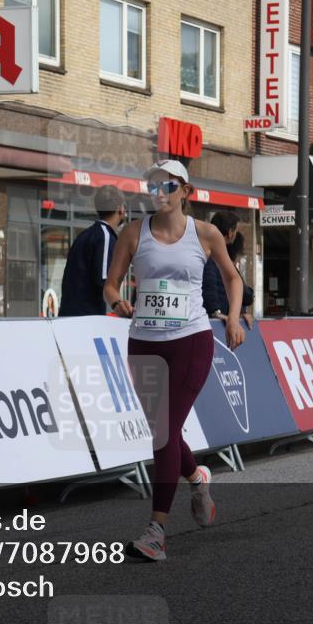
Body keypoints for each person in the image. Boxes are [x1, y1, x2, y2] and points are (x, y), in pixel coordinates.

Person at [103, 159, 244, 562]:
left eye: (168, 186)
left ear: (185, 191)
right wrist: (117, 301)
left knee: (164, 431)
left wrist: (234, 318)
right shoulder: (134, 232)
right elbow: (110, 284)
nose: (160, 193)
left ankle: (156, 532)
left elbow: (232, 277)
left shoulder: (205, 233)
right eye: (154, 187)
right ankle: (197, 478)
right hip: (145, 342)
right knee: (161, 428)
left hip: (191, 341)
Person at [58, 185, 126, 317]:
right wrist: (120, 305)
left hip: (70, 314)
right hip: (87, 317)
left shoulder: (85, 235)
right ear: (120, 208)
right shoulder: (105, 236)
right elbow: (105, 282)